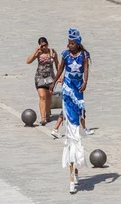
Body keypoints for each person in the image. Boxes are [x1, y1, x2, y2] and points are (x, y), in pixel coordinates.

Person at [49, 28, 91, 194]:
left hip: (78, 89)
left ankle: (75, 171)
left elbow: (86, 69)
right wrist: (54, 83)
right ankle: (72, 177)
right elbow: (60, 69)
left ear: (78, 43)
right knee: (71, 132)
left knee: (77, 124)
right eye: (68, 42)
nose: (69, 45)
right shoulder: (66, 55)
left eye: (72, 43)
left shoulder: (83, 56)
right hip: (67, 88)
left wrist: (86, 81)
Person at [26, 37, 59, 125]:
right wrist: (35, 52)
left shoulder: (53, 52)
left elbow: (57, 63)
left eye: (45, 45)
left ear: (47, 44)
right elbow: (28, 61)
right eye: (42, 46)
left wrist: (59, 76)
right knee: (42, 96)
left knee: (49, 97)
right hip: (40, 77)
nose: (44, 47)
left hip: (50, 77)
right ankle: (43, 117)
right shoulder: (38, 53)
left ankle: (48, 114)